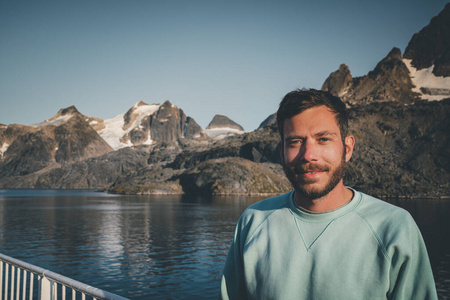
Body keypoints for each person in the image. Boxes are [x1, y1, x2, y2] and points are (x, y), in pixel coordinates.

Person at [219, 89, 438, 300]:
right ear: (282, 151)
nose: (309, 155)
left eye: (323, 139)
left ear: (348, 148)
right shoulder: (253, 221)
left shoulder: (395, 228)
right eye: (295, 142)